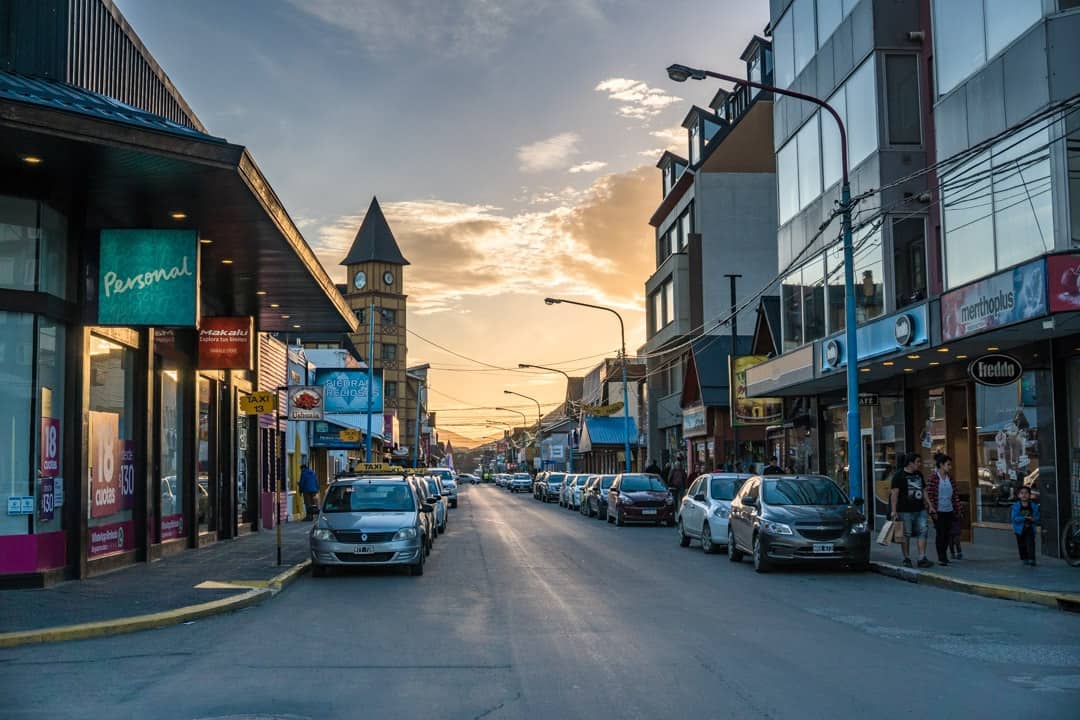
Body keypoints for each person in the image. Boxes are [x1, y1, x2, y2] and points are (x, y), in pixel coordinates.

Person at [890, 452, 933, 568]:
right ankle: (907, 558)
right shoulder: (898, 476)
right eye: (918, 462)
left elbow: (924, 490)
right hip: (904, 511)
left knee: (923, 531)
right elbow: (894, 494)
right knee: (906, 534)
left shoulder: (919, 474)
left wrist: (929, 504)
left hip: (920, 509)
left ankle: (922, 557)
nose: (920, 464)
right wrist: (893, 511)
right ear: (910, 463)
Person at [926, 453, 961, 566]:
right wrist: (932, 510)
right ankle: (941, 556)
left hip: (949, 510)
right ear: (941, 465)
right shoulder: (933, 478)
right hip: (938, 510)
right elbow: (929, 495)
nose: (950, 467)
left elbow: (955, 495)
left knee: (947, 534)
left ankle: (944, 555)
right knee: (940, 533)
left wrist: (958, 509)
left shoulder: (950, 479)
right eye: (948, 464)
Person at [1010, 485, 1041, 566]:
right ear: (1019, 495)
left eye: (1026, 493)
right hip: (1019, 529)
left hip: (1030, 527)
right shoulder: (1016, 506)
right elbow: (1014, 518)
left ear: (1030, 495)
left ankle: (1032, 559)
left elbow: (1037, 516)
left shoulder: (1033, 506)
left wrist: (1033, 519)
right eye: (1022, 493)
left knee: (1030, 543)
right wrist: (1024, 518)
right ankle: (1024, 558)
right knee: (1021, 544)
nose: (1024, 495)